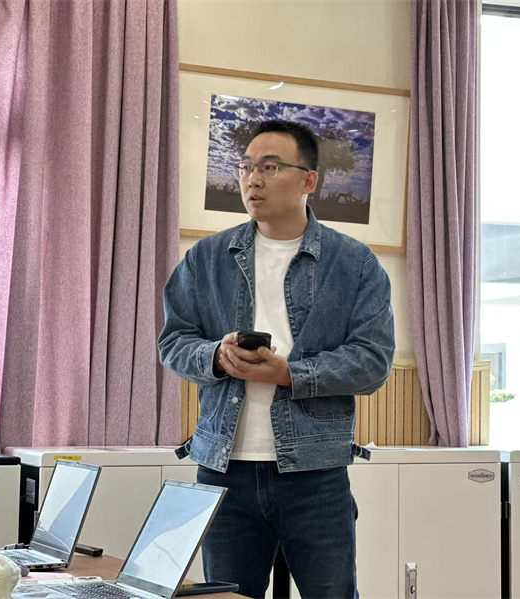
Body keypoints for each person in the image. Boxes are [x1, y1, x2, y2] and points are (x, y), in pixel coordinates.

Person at [158, 120, 395, 599]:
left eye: (269, 167)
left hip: (315, 474)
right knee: (225, 598)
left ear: (309, 180)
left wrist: (292, 374)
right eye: (245, 167)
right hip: (223, 469)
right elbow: (173, 342)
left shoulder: (354, 264)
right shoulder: (206, 258)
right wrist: (216, 357)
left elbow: (372, 361)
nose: (252, 180)